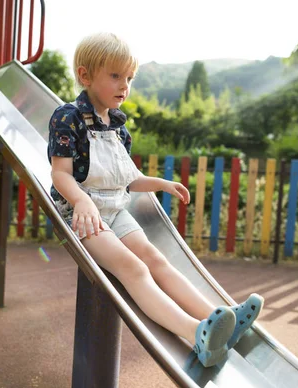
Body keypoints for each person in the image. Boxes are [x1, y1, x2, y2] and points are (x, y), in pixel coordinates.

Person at [47, 32, 263, 368]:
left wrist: (161, 183)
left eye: (129, 78)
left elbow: (128, 179)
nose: (125, 85)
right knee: (132, 267)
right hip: (82, 214)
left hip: (115, 210)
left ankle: (221, 321)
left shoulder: (119, 128)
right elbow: (60, 174)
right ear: (85, 76)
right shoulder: (67, 117)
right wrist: (81, 202)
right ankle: (196, 334)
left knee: (155, 258)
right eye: (115, 76)